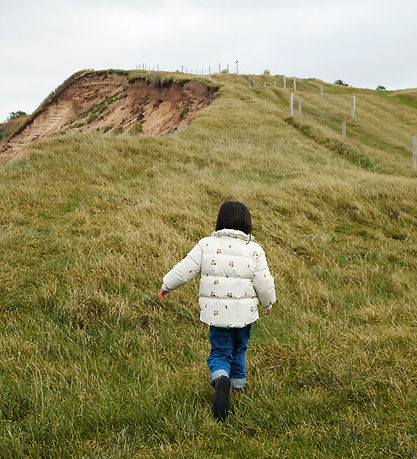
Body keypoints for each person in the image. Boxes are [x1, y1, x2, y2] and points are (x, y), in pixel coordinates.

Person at [158, 201, 276, 420]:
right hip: (244, 317)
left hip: (217, 315)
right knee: (240, 348)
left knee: (221, 352)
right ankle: (238, 386)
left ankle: (221, 378)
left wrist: (167, 285)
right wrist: (268, 303)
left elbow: (186, 268)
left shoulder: (207, 244)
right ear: (247, 223)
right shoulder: (255, 249)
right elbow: (264, 282)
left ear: (220, 222)